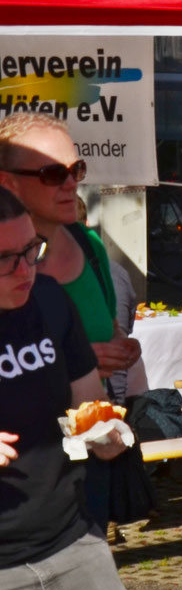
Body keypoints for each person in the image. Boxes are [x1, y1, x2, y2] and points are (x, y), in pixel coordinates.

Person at [0, 188, 135, 590]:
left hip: (72, 543)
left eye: (32, 251)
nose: (27, 269)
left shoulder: (50, 302)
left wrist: (104, 430)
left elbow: (86, 402)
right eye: (8, 260)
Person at [0, 115, 148, 529]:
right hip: (17, 473)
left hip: (83, 454)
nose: (70, 183)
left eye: (76, 170)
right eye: (53, 173)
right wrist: (78, 357)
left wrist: (117, 348)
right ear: (7, 182)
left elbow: (103, 328)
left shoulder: (88, 243)